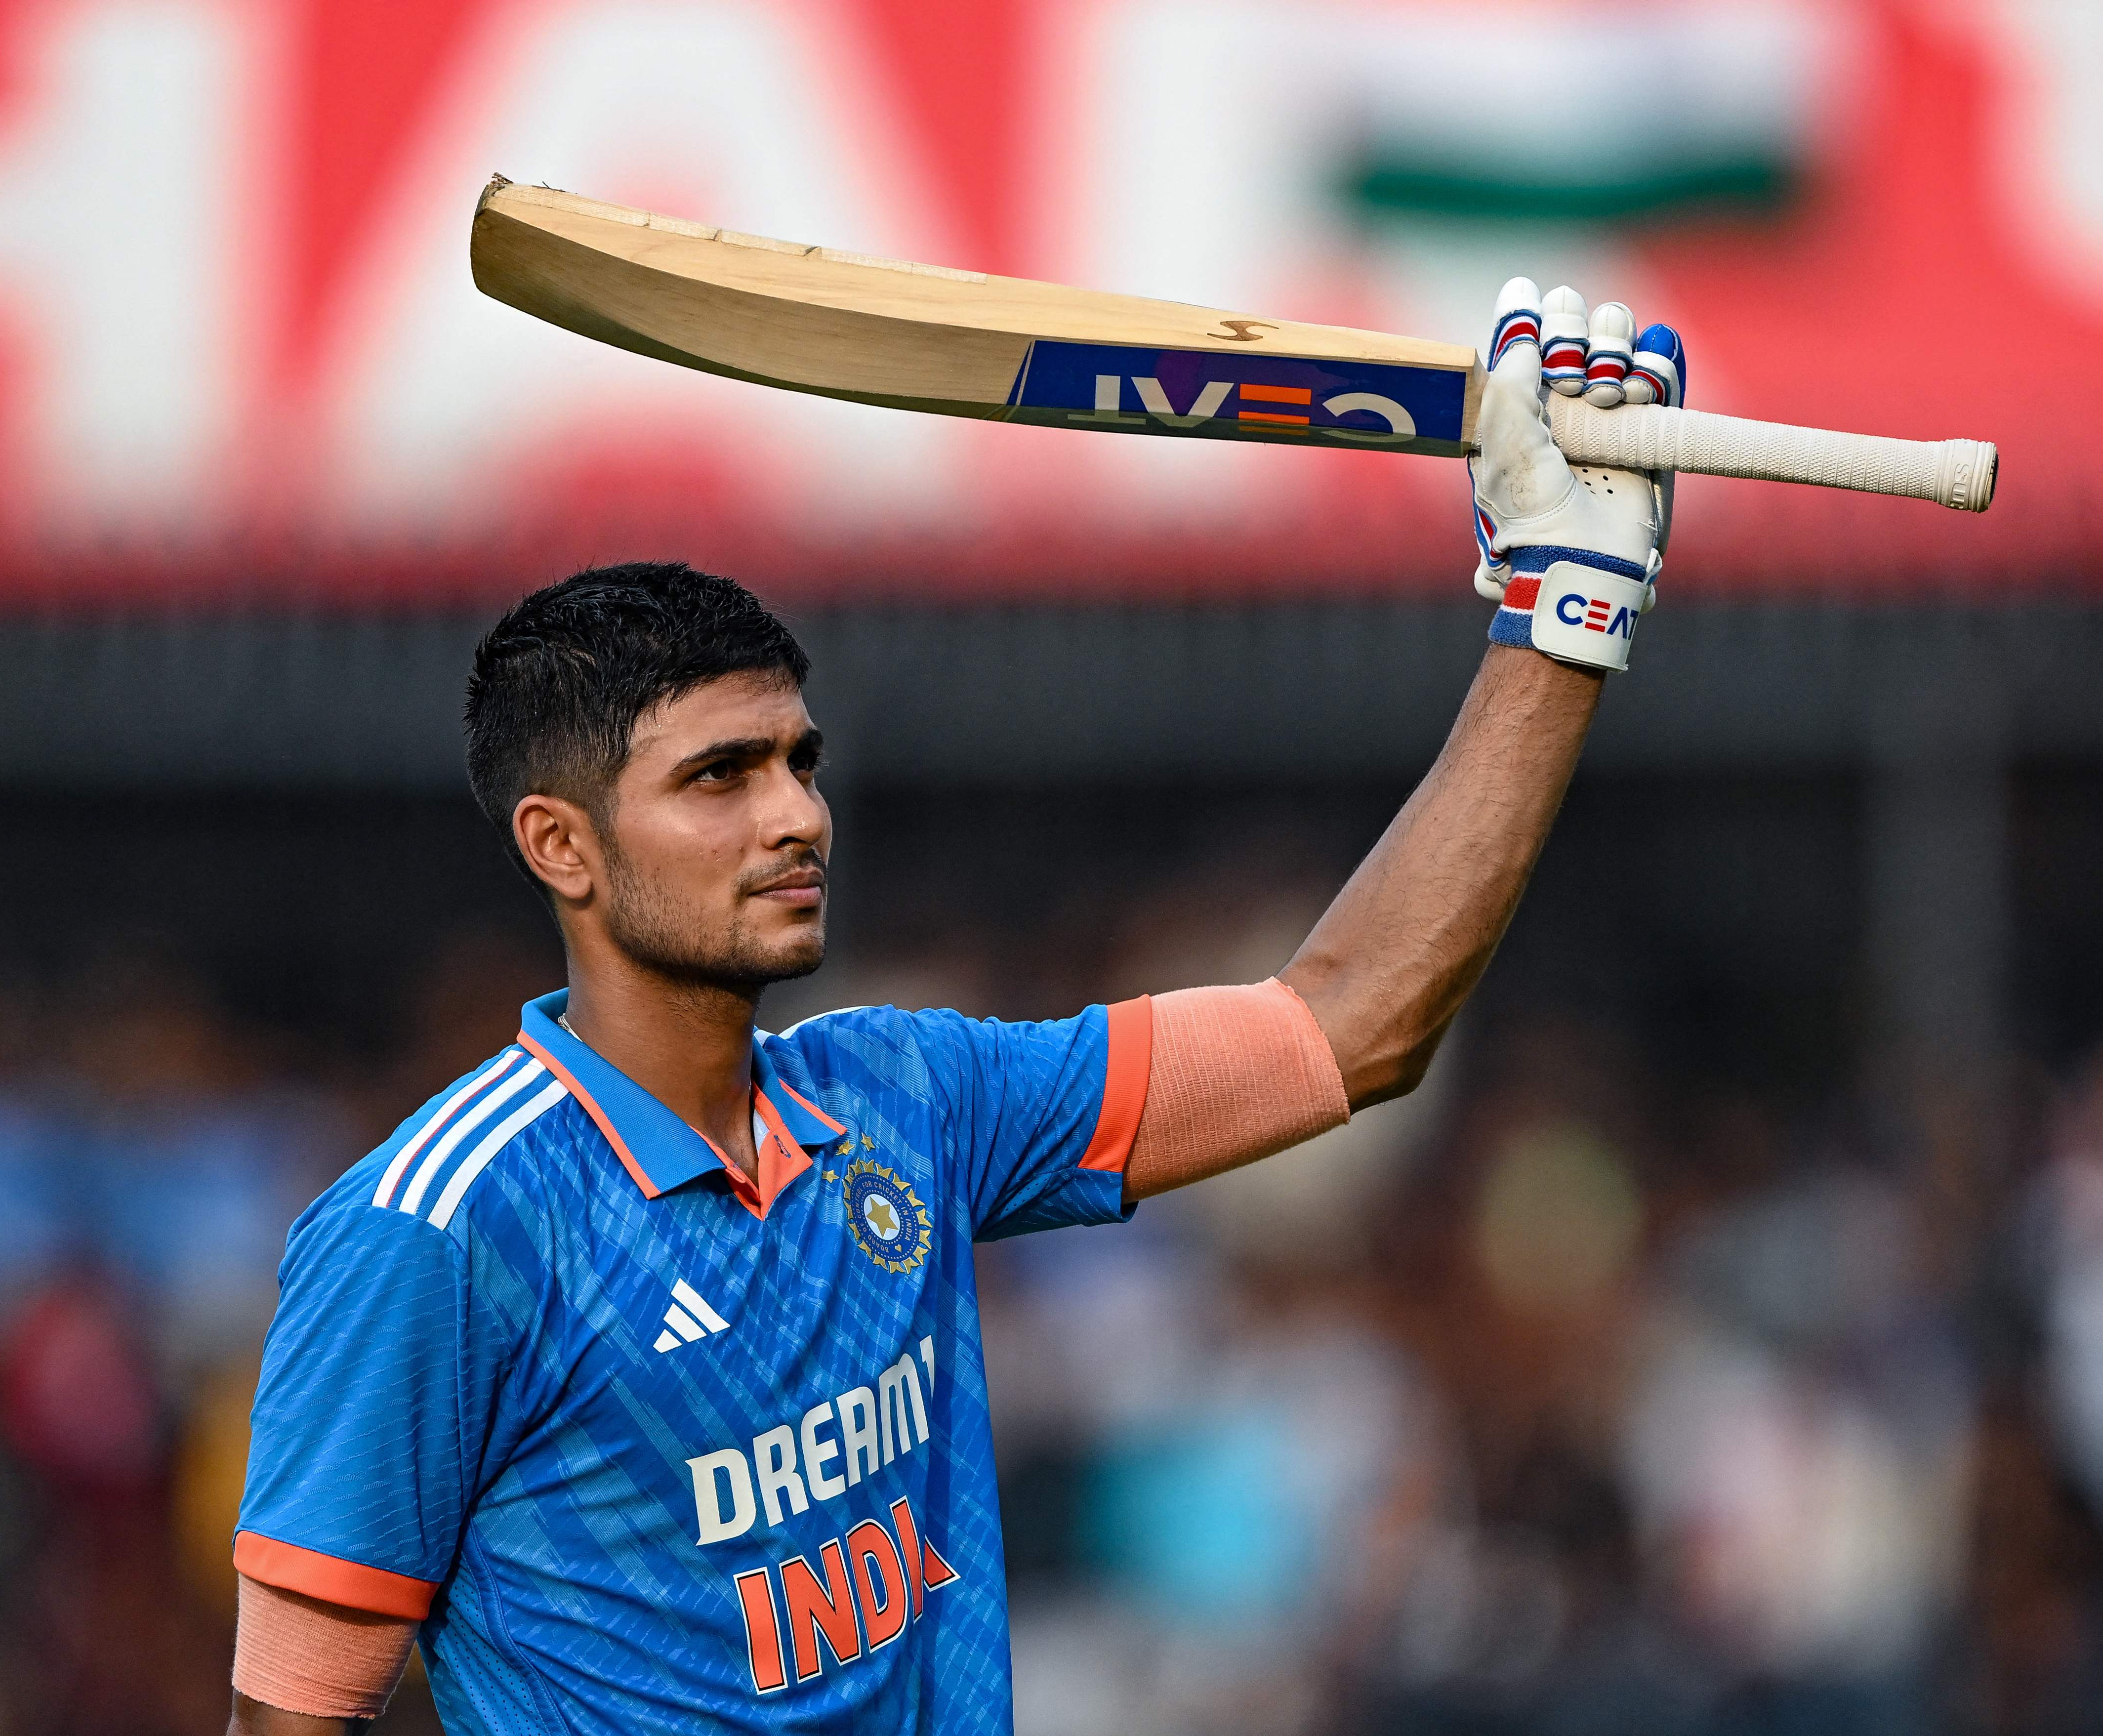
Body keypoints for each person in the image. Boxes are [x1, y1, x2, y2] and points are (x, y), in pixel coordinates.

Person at [223, 282, 1685, 1735]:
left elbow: (1351, 1026)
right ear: (562, 844)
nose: (796, 814)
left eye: (801, 758)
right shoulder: (428, 1234)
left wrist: (1556, 621)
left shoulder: (906, 1093)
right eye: (719, 776)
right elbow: (292, 1721)